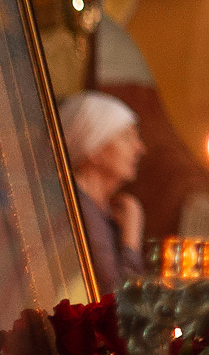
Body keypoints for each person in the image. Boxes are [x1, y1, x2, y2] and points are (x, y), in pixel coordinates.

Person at [58, 91, 148, 294]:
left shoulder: (100, 209)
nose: (140, 148)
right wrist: (131, 238)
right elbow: (117, 303)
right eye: (126, 138)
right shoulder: (78, 210)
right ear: (93, 149)